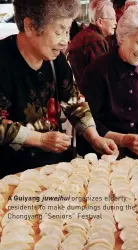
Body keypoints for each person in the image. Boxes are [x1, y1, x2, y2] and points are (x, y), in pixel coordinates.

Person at [0, 0, 118, 177]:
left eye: (67, 31)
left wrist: (94, 138)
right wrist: (40, 139)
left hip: (54, 169)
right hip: (9, 172)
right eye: (59, 31)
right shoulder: (3, 61)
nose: (66, 41)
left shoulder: (57, 61)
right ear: (30, 26)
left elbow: (73, 101)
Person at [78, 5, 138, 160]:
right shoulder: (97, 70)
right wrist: (124, 140)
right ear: (123, 36)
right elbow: (87, 121)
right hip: (105, 150)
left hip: (137, 148)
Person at [68, 0, 117, 84]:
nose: (115, 23)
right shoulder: (96, 41)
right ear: (100, 22)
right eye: (112, 19)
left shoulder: (86, 34)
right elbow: (102, 77)